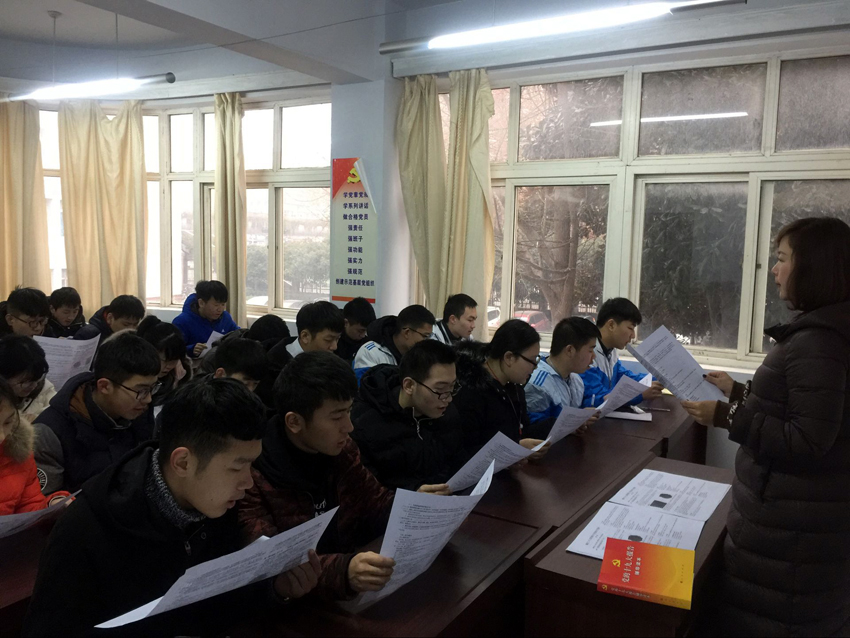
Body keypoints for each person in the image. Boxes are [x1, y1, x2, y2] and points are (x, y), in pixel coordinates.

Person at [23, 378, 322, 637]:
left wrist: (275, 590)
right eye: (236, 468)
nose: (249, 482)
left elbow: (218, 603)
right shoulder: (87, 529)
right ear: (183, 462)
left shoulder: (215, 507)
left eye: (252, 464)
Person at [680, 217, 850, 636]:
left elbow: (808, 439)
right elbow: (801, 406)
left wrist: (725, 415)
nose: (774, 269)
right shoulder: (828, 329)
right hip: (799, 526)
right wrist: (737, 390)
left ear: (813, 267)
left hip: (790, 540)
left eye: (782, 259)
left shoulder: (818, 340)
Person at [239, 352, 412, 600]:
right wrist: (343, 571)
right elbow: (276, 566)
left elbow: (376, 503)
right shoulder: (251, 475)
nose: (349, 426)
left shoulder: (343, 450)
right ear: (294, 422)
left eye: (349, 411)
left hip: (346, 594)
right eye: (337, 416)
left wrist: (415, 506)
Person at [32, 332, 161, 494]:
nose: (148, 399)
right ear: (104, 386)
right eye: (142, 390)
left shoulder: (137, 409)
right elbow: (46, 503)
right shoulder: (50, 432)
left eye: (153, 388)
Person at [352, 340, 464, 492]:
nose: (448, 398)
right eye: (440, 389)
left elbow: (455, 461)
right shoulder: (365, 423)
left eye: (452, 387)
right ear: (409, 386)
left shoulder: (447, 412)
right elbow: (365, 489)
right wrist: (412, 492)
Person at [453, 319, 551, 458]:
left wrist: (556, 426)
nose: (535, 367)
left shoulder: (514, 387)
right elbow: (466, 452)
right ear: (509, 357)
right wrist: (515, 448)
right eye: (532, 360)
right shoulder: (470, 392)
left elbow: (521, 431)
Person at [0, 378, 70, 515]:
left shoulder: (17, 452)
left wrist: (52, 505)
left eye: (8, 422)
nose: (2, 436)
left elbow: (28, 505)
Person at [580, 298, 664, 408]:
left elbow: (623, 378)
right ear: (611, 325)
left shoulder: (611, 351)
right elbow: (596, 398)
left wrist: (661, 379)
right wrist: (639, 394)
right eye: (630, 328)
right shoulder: (587, 354)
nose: (633, 335)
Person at [525, 317, 601, 436]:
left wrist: (580, 419)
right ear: (570, 350)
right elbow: (536, 432)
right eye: (590, 350)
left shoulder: (575, 378)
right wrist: (573, 423)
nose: (594, 357)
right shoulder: (539, 385)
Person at [353, 305, 436, 382]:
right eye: (425, 336)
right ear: (407, 332)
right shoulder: (370, 353)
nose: (427, 341)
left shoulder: (420, 355)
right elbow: (367, 389)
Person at [172, 280, 239, 358]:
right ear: (201, 303)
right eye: (216, 305)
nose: (220, 309)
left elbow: (237, 333)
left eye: (223, 304)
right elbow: (173, 350)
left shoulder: (225, 317)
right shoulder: (182, 322)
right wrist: (191, 349)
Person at [137, 315, 191, 406]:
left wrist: (177, 383)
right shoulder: (130, 376)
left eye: (174, 360)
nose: (169, 366)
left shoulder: (179, 374)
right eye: (165, 360)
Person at [0, 335, 56, 422]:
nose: (34, 385)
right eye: (25, 381)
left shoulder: (44, 388)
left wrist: (39, 418)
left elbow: (57, 408)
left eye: (37, 379)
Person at [74, 294, 145, 345]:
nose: (131, 329)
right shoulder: (88, 335)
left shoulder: (136, 335)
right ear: (110, 318)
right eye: (126, 324)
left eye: (135, 324)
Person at [336, 297, 377, 364]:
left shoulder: (368, 343)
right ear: (346, 323)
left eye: (366, 331)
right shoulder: (333, 340)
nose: (363, 335)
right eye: (360, 331)